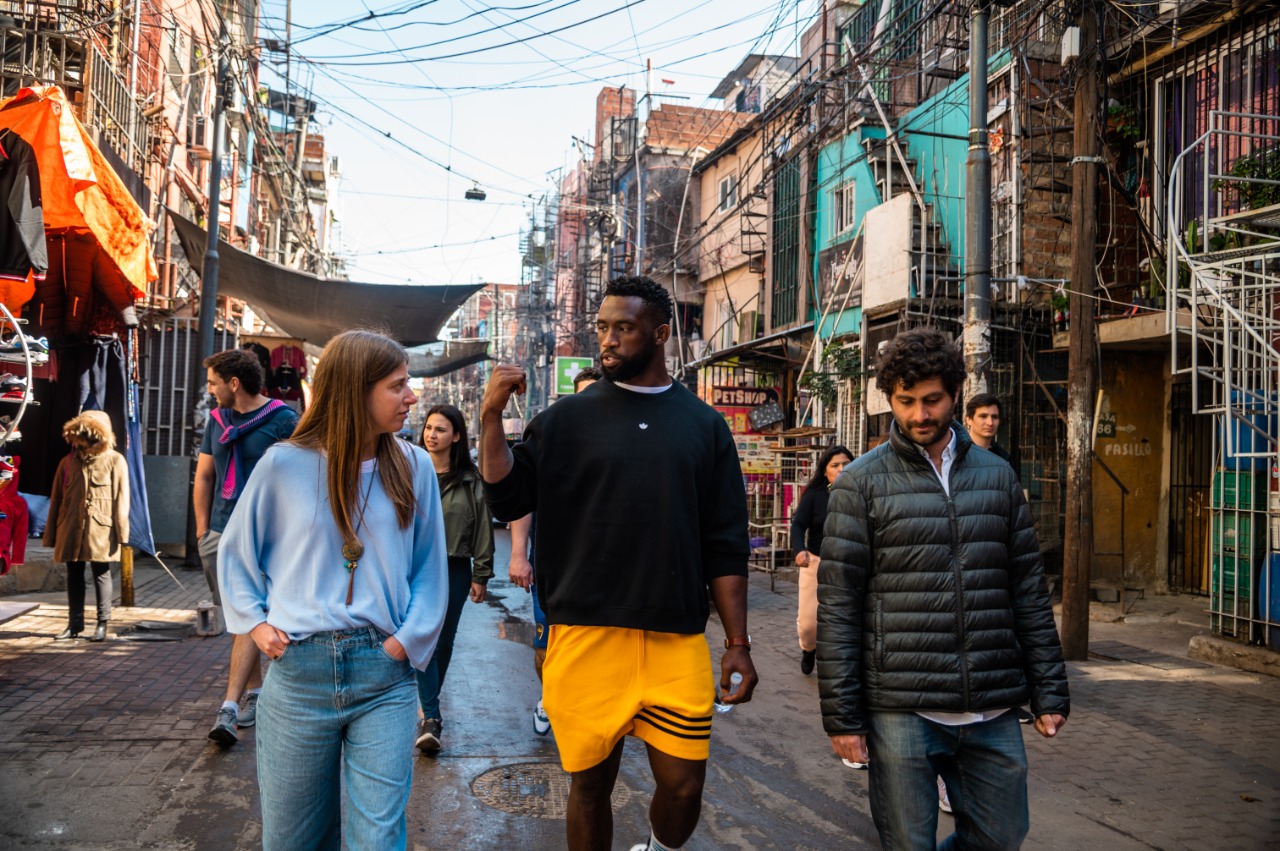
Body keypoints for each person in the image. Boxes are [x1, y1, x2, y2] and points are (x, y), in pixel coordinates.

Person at [481, 276, 758, 851]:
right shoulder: (565, 420)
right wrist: (488, 420)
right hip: (584, 634)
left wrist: (738, 642)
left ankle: (658, 847)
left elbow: (726, 542)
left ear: (660, 335)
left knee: (683, 789)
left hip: (674, 639)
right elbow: (508, 500)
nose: (606, 340)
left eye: (622, 329)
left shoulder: (705, 427)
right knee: (588, 789)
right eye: (602, 328)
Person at [818, 327, 1069, 850]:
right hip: (901, 708)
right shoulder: (861, 483)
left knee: (1001, 837)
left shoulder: (999, 478)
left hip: (991, 707)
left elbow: (1027, 592)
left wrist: (1048, 689)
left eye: (931, 400)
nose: (919, 415)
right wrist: (843, 717)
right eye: (905, 402)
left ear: (955, 393)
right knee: (908, 843)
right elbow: (839, 606)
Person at [218, 329, 448, 851]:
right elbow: (236, 555)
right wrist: (256, 624)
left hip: (383, 677)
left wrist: (404, 643)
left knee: (378, 838)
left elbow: (430, 571)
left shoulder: (412, 468)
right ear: (354, 390)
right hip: (299, 674)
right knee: (293, 838)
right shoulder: (284, 463)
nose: (411, 397)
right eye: (398, 385)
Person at [194, 348, 300, 747]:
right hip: (221, 534)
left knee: (250, 613)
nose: (210, 390)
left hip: (266, 535)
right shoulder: (217, 421)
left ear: (233, 384)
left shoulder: (283, 420)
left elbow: (300, 478)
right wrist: (204, 530)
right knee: (238, 616)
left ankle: (231, 706)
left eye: (213, 383)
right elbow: (204, 476)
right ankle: (256, 693)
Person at [508, 366, 601, 738]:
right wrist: (518, 554)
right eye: (584, 396)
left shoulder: (620, 444)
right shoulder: (550, 442)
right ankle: (549, 696)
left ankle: (582, 707)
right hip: (553, 570)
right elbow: (521, 500)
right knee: (547, 647)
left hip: (601, 573)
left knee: (594, 650)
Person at [414, 403, 495, 753]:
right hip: (415, 569)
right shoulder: (410, 471)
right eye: (429, 428)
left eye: (441, 429)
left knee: (444, 642)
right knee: (423, 641)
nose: (432, 435)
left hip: (455, 567)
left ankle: (427, 708)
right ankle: (431, 716)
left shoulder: (471, 479)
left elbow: (483, 529)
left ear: (456, 436)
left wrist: (482, 574)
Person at [963, 392, 1037, 728]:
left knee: (1003, 625)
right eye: (983, 416)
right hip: (965, 547)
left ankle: (1008, 698)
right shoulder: (957, 455)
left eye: (994, 417)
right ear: (969, 420)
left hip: (997, 547)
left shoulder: (1004, 460)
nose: (990, 422)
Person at [45, 411, 129, 643]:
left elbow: (122, 499)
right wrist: (51, 534)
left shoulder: (115, 460)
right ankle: (74, 624)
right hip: (71, 527)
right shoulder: (68, 462)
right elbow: (56, 500)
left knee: (101, 574)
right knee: (74, 574)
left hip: (100, 529)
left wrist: (122, 534)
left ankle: (102, 623)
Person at [790, 444, 852, 678]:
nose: (841, 469)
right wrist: (799, 550)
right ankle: (809, 649)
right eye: (835, 465)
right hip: (816, 562)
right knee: (808, 623)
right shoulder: (814, 495)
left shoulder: (862, 492)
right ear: (825, 470)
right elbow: (797, 525)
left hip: (850, 564)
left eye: (846, 464)